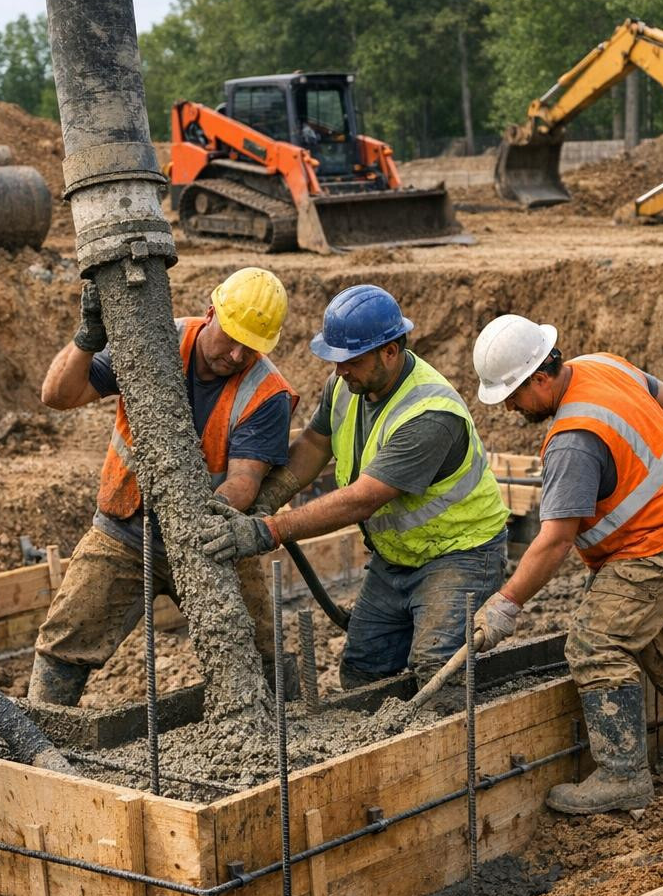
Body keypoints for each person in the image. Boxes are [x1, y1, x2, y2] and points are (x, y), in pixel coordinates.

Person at [466, 314, 663, 816]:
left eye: (512, 396)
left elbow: (553, 542)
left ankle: (622, 775)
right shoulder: (600, 363)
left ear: (541, 379)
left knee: (596, 644)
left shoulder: (573, 440)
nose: (508, 408)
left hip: (657, 543)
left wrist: (507, 604)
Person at [201, 284, 509, 692]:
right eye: (336, 359)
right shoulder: (347, 385)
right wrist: (267, 499)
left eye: (351, 360)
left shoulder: (429, 415)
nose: (340, 369)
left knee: (437, 669)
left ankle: (452, 748)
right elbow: (313, 444)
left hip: (459, 554)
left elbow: (362, 499)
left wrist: (270, 530)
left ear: (390, 352)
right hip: (396, 557)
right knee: (363, 671)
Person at [30, 267, 296, 705]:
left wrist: (199, 521)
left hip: (208, 538)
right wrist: (87, 339)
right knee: (66, 640)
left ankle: (285, 723)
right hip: (125, 529)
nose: (234, 355)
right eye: (230, 338)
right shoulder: (155, 342)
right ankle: (39, 731)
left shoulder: (266, 392)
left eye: (249, 348)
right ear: (212, 312)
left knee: (256, 650)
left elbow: (244, 483)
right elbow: (58, 395)